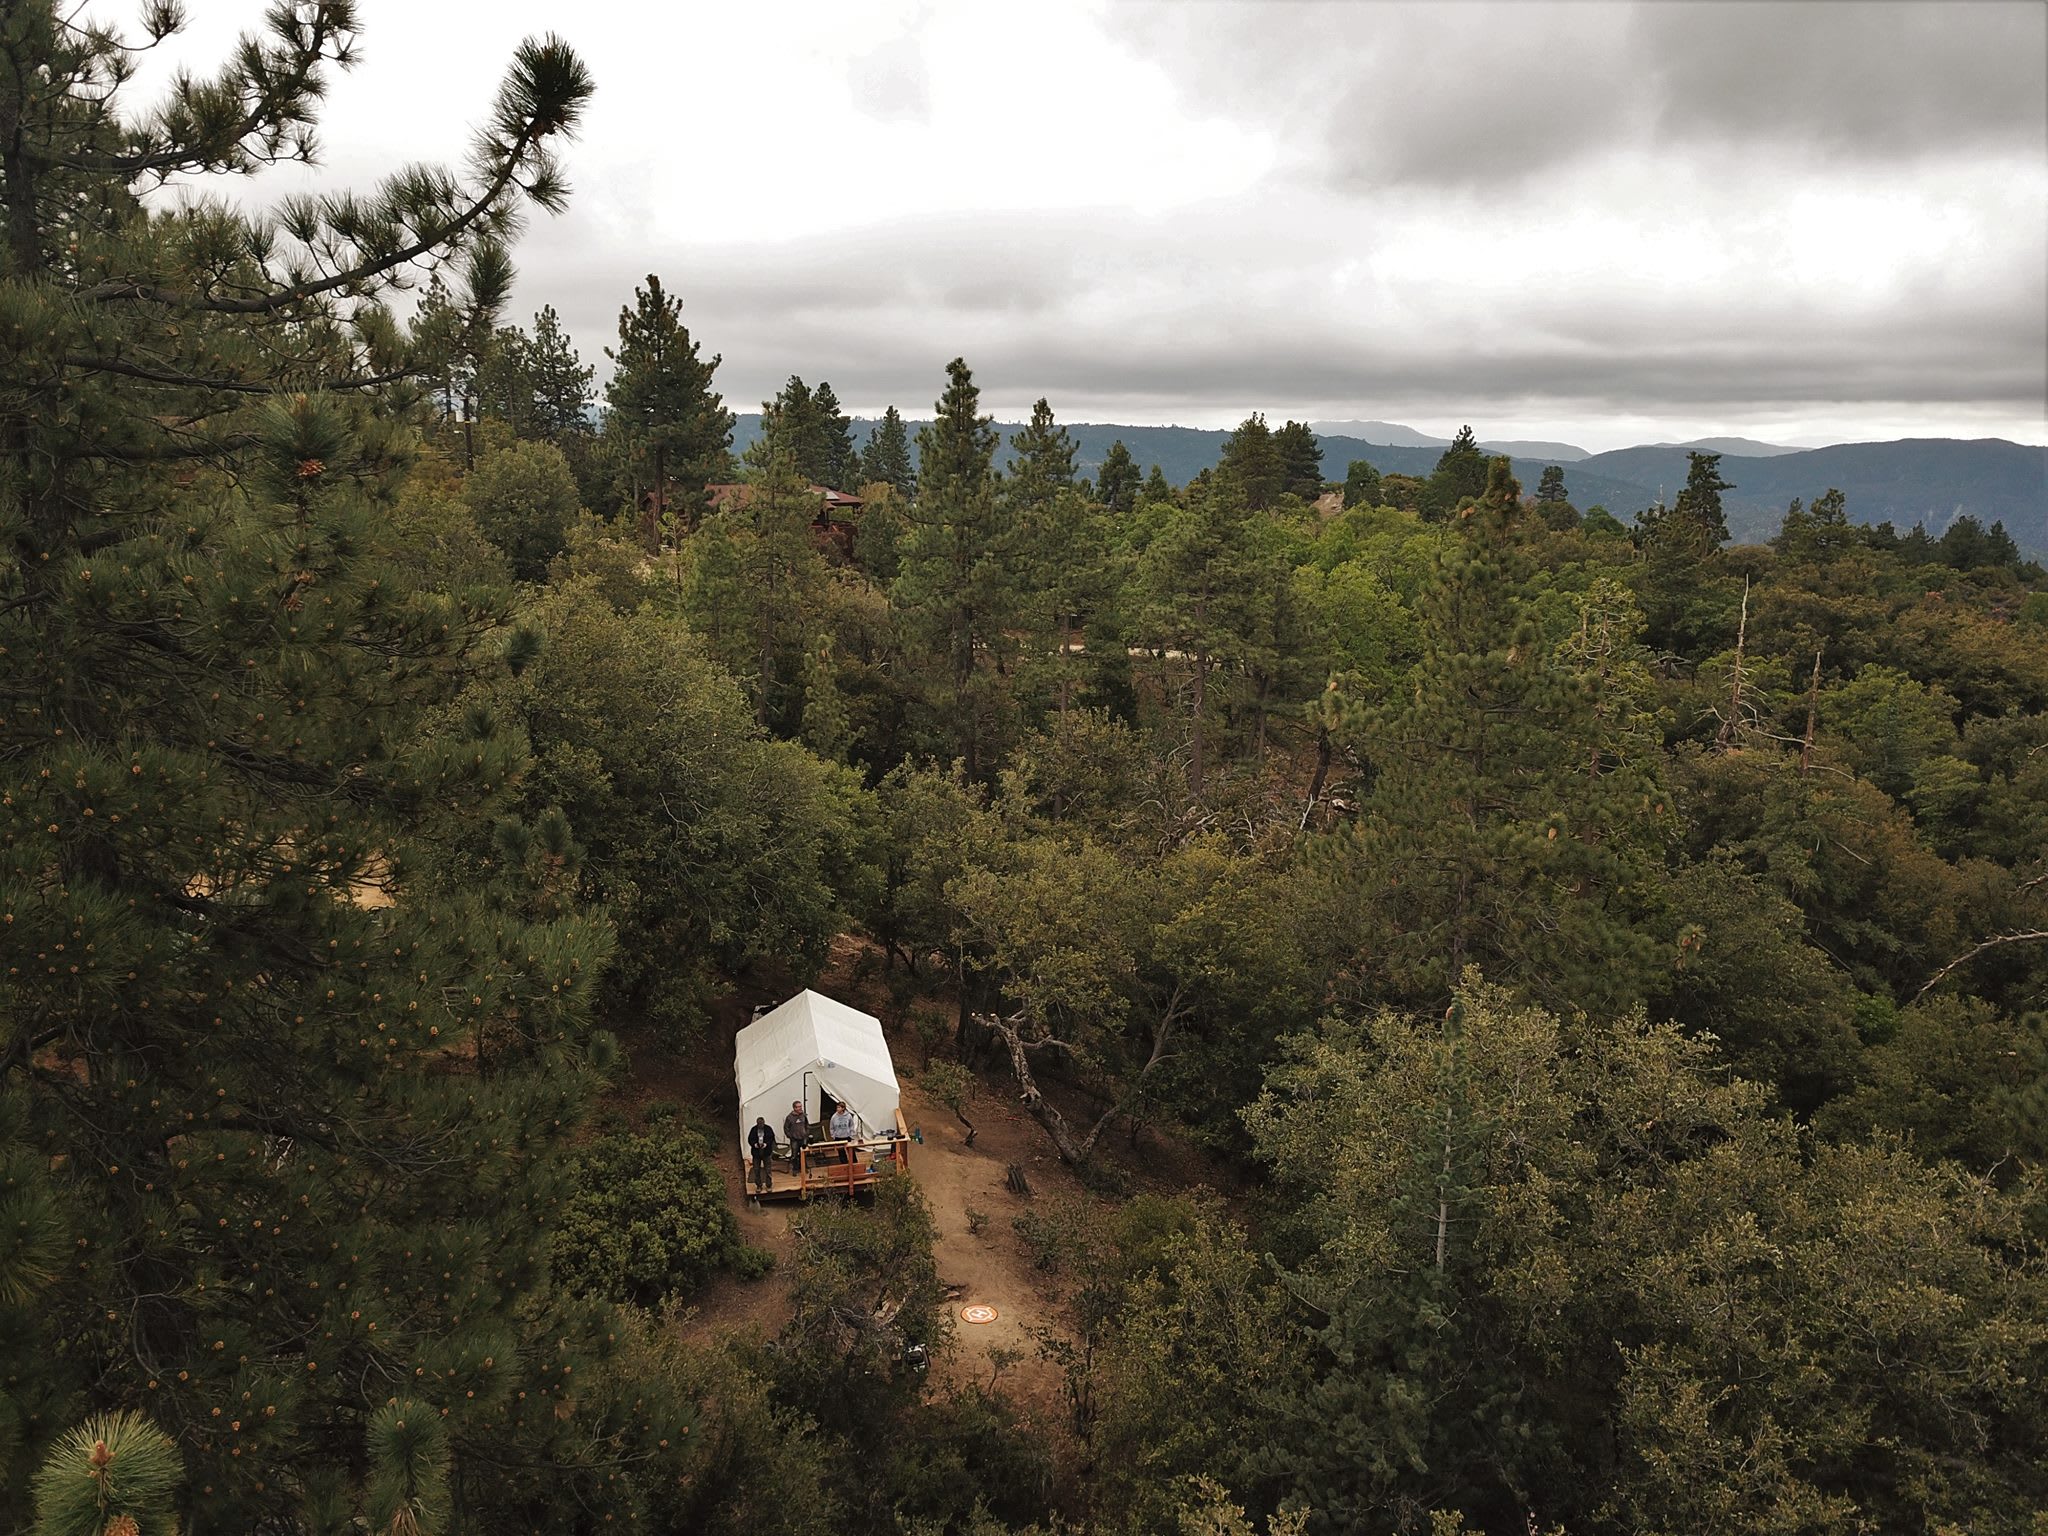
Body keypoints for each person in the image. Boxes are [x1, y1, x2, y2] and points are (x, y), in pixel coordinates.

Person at [747, 1115, 777, 1193]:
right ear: (757, 1123)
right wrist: (755, 1144)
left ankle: (769, 1185)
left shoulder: (768, 1129)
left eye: (762, 1123)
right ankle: (759, 1186)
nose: (761, 1125)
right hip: (756, 1153)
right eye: (759, 1123)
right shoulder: (753, 1130)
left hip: (766, 1153)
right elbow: (750, 1139)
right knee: (756, 1170)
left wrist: (766, 1144)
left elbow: (772, 1139)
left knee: (768, 1170)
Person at [783, 1099, 809, 1178]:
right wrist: (790, 1136)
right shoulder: (789, 1117)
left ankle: (804, 1168)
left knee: (803, 1154)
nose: (800, 1108)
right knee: (794, 1155)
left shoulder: (803, 1115)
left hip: (803, 1138)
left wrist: (806, 1133)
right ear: (794, 1108)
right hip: (794, 1140)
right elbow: (786, 1128)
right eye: (798, 1107)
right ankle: (795, 1169)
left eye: (800, 1106)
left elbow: (807, 1125)